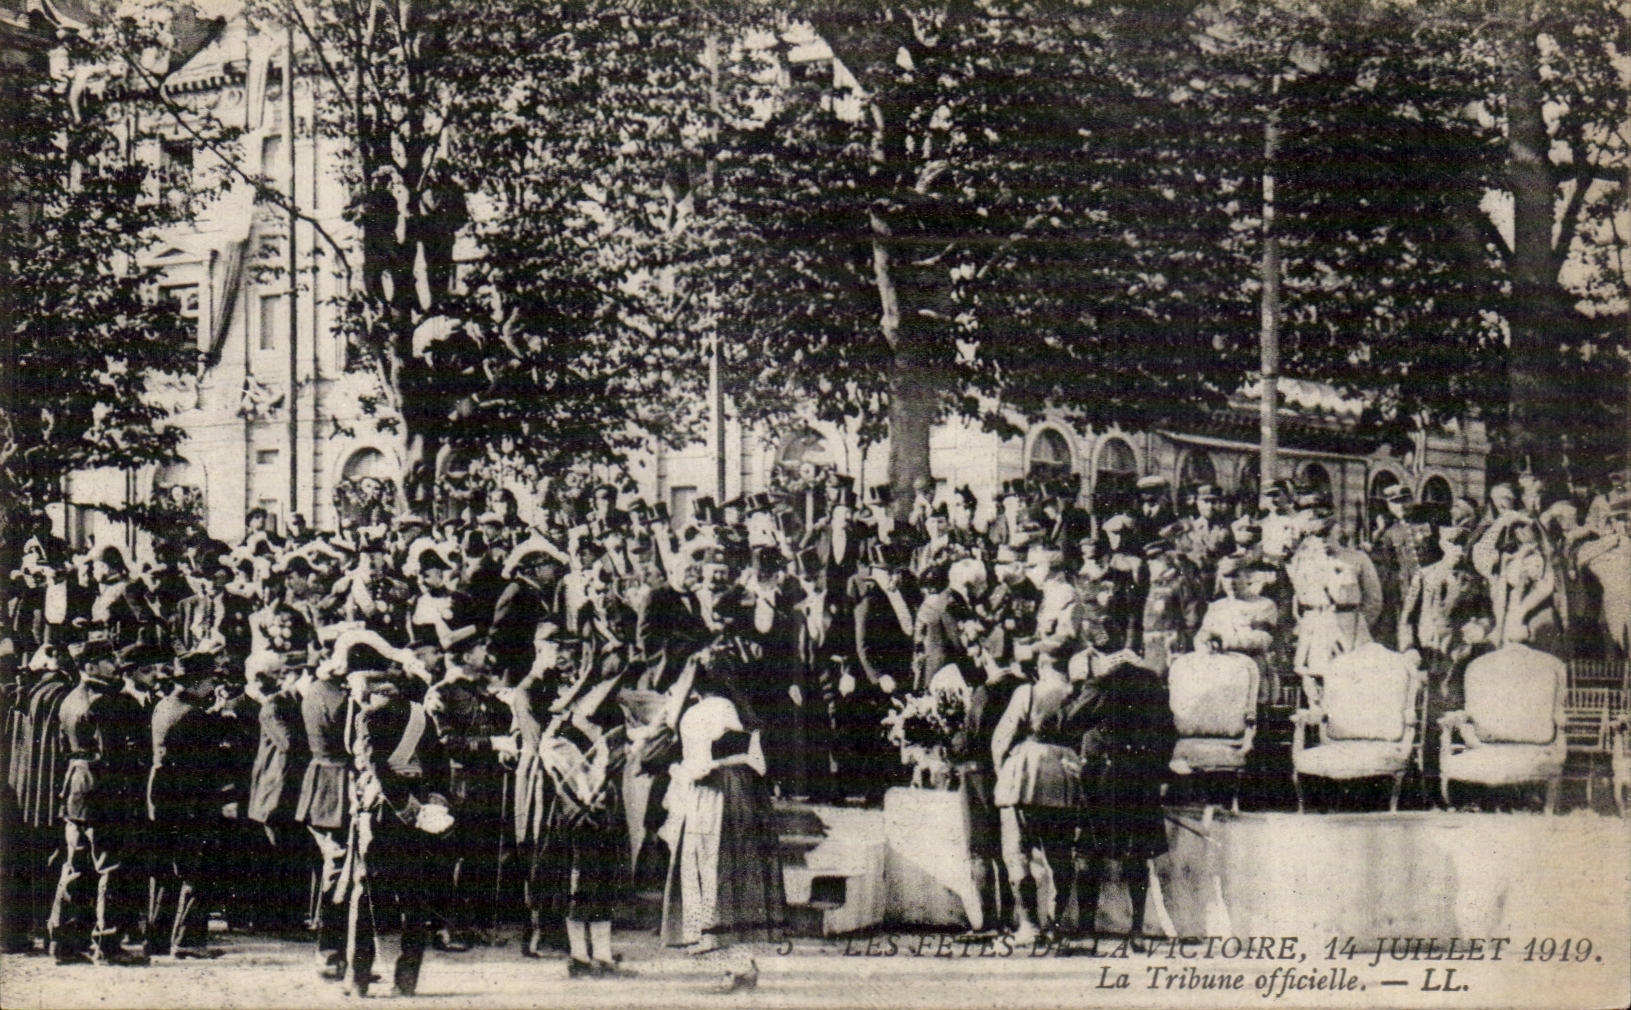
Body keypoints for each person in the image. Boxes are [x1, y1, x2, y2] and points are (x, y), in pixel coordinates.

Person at [660, 647, 784, 992]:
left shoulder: (694, 714)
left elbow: (699, 763)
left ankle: (737, 967)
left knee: (711, 875)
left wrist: (680, 772)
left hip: (711, 797)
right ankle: (740, 963)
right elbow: (754, 759)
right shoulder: (736, 708)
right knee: (735, 876)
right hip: (743, 795)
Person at [47, 637, 149, 966]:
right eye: (108, 660)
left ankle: (63, 943)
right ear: (91, 665)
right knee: (111, 866)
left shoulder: (69, 699)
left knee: (75, 866)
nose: (115, 664)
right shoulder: (107, 702)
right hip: (105, 790)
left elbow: (63, 746)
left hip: (76, 789)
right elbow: (115, 754)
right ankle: (107, 943)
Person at [1068, 656, 1176, 948]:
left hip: (1102, 778)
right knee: (1137, 856)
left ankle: (1087, 933)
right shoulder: (1154, 688)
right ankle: (1136, 931)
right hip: (1141, 780)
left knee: (1090, 853)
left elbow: (1073, 720)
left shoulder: (1101, 685)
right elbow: (1169, 733)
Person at [146, 650, 231, 959]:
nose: (213, 686)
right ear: (196, 682)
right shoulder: (194, 715)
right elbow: (208, 762)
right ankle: (188, 940)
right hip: (190, 802)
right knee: (198, 870)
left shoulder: (164, 706)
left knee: (167, 873)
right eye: (210, 680)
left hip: (163, 798)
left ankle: (157, 938)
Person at [990, 648, 1079, 944]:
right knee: (1059, 855)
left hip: (1024, 774)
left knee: (1017, 853)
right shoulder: (1074, 693)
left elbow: (1002, 739)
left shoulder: (1027, 692)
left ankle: (1028, 925)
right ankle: (1054, 925)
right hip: (1063, 776)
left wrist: (1003, 771)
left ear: (1042, 664)